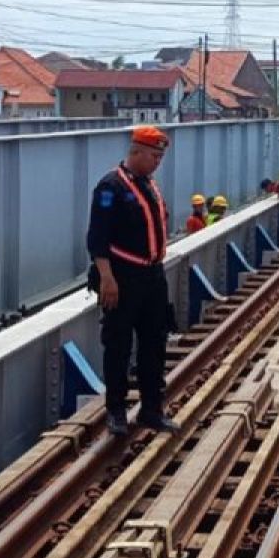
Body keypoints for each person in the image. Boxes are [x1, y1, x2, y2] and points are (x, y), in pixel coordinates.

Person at [86, 125, 179, 436]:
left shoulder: (149, 185)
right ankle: (116, 411)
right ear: (136, 152)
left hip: (152, 275)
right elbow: (97, 238)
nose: (157, 162)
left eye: (160, 157)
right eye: (154, 156)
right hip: (122, 277)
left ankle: (152, 409)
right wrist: (107, 278)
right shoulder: (111, 187)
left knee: (155, 342)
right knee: (118, 344)